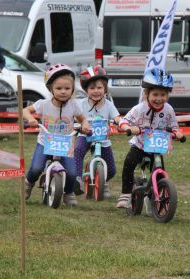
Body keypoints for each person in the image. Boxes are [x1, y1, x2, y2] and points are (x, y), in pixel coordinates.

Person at [116, 68, 184, 209]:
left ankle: (156, 197)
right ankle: (126, 193)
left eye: (163, 94)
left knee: (160, 173)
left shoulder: (169, 110)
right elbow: (123, 121)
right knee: (129, 163)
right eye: (155, 94)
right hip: (140, 145)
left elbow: (174, 126)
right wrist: (129, 128)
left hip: (157, 148)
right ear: (147, 93)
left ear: (168, 95)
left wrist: (178, 133)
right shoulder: (139, 109)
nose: (159, 98)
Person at [23, 64, 90, 206]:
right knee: (36, 168)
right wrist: (31, 119)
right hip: (45, 141)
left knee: (72, 173)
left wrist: (84, 125)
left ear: (72, 89)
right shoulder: (43, 104)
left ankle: (69, 192)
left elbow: (83, 119)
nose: (63, 92)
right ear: (50, 89)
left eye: (67, 88)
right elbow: (25, 110)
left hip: (66, 143)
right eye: (59, 88)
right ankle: (28, 185)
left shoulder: (74, 105)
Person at [74, 66, 121, 198]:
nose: (96, 91)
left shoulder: (109, 105)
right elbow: (74, 116)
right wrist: (76, 124)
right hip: (85, 135)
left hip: (102, 139)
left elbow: (116, 117)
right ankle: (77, 179)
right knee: (77, 150)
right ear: (86, 90)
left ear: (105, 89)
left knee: (111, 170)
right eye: (92, 88)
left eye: (99, 88)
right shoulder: (81, 104)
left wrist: (120, 122)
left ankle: (103, 181)